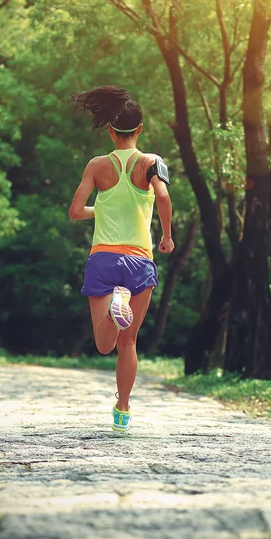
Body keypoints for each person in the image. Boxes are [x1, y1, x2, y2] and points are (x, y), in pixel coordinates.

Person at [68, 86, 174, 433]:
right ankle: (123, 409)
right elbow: (162, 195)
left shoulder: (97, 165)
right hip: (140, 261)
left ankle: (116, 300)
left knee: (104, 344)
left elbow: (74, 211)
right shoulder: (152, 162)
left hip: (103, 259)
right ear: (139, 129)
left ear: (111, 131)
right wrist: (167, 235)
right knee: (128, 342)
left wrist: (101, 207)